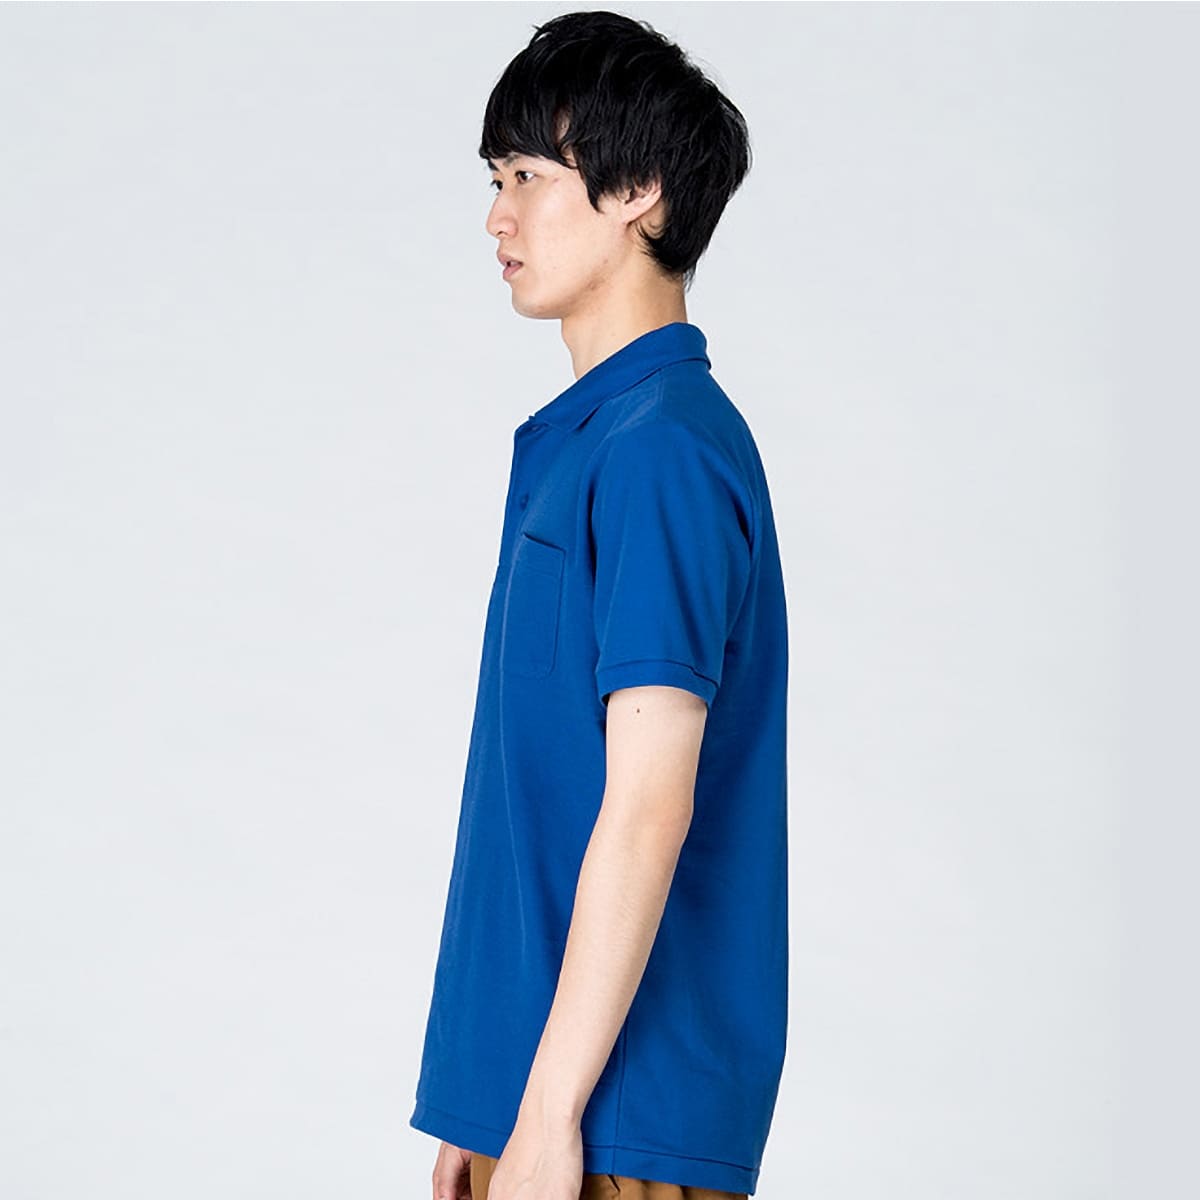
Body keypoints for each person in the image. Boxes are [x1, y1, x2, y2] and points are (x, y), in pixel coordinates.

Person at [409, 11, 789, 1200]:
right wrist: (489, 1103)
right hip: (539, 1102)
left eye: (527, 175)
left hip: (611, 1123)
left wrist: (547, 1115)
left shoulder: (660, 450)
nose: (497, 216)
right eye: (495, 179)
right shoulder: (596, 441)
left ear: (637, 192)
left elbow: (648, 800)